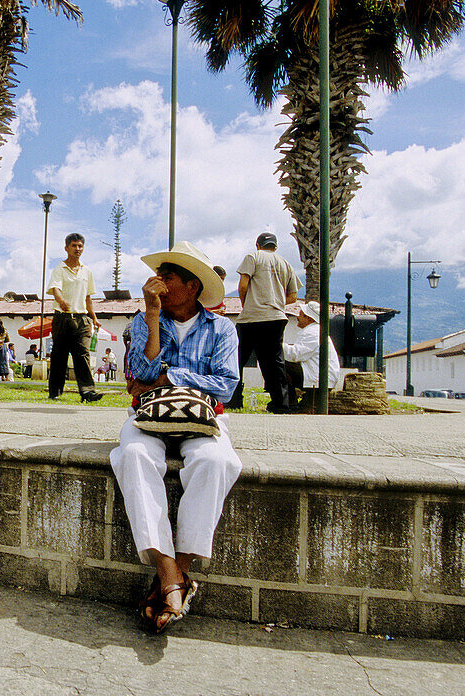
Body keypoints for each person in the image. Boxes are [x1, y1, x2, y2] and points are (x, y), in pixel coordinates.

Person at [110, 241, 241, 633]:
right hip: (150, 415)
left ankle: (173, 575)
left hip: (203, 417)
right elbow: (142, 374)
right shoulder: (143, 319)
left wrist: (172, 376)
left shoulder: (222, 329)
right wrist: (152, 317)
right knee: (133, 454)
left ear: (192, 287)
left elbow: (226, 386)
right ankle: (172, 575)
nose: (158, 283)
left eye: (167, 278)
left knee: (217, 461)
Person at [229, 231, 301, 413]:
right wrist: (275, 300)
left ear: (258, 245)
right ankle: (281, 404)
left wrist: (247, 303)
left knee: (237, 358)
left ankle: (234, 399)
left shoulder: (252, 257)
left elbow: (243, 284)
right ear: (275, 247)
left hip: (251, 317)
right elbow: (293, 296)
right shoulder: (286, 264)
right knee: (275, 361)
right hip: (276, 318)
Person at [47, 232, 103, 402]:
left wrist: (94, 317)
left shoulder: (87, 271)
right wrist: (61, 300)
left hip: (82, 320)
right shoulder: (60, 268)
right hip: (62, 319)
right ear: (66, 248)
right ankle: (55, 392)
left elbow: (87, 298)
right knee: (59, 356)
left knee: (82, 355)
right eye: (74, 245)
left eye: (80, 246)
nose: (77, 249)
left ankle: (87, 392)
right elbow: (55, 288)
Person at [281, 301, 341, 408]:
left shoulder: (312, 332)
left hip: (318, 378)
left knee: (280, 366)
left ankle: (289, 403)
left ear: (308, 317)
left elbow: (295, 355)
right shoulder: (315, 331)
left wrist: (277, 345)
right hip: (319, 375)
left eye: (300, 314)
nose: (297, 317)